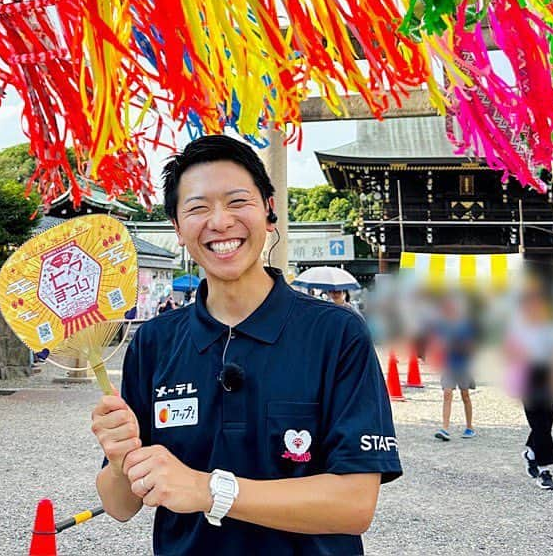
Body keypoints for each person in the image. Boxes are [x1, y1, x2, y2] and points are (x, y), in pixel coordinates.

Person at [91, 135, 401, 554]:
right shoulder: (154, 342)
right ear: (178, 230)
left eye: (238, 201)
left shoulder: (336, 333)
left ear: (269, 213)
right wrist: (119, 457)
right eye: (198, 208)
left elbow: (355, 504)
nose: (219, 222)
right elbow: (120, 505)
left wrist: (209, 490)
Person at [505, 279, 553, 491]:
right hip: (528, 374)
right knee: (539, 424)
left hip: (548, 373)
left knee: (546, 423)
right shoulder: (517, 328)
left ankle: (531, 452)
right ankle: (545, 471)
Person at [431, 293, 478, 441]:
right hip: (449, 365)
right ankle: (445, 428)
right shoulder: (442, 326)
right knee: (447, 393)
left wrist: (459, 346)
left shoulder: (466, 325)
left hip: (463, 365)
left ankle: (470, 427)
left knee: (465, 395)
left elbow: (471, 347)